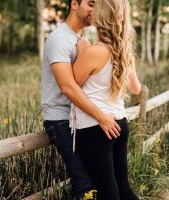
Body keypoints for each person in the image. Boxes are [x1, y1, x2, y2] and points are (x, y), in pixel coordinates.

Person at [41, 0, 122, 199]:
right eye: (91, 4)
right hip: (61, 119)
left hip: (79, 118)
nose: (95, 10)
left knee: (96, 183)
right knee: (84, 185)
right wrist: (101, 117)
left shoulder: (81, 37)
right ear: (75, 4)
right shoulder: (59, 39)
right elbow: (68, 86)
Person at [70, 0, 141, 199]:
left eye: (96, 7)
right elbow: (135, 88)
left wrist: (82, 51)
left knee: (108, 194)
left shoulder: (94, 51)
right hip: (119, 122)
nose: (91, 11)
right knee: (123, 189)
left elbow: (71, 85)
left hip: (96, 128)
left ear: (102, 15)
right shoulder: (124, 50)